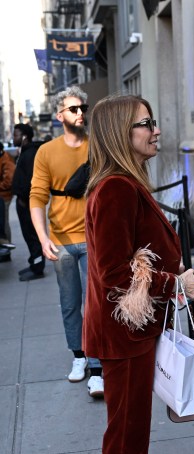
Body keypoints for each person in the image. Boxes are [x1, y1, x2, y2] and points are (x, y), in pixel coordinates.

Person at [83, 94, 194, 454]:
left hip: (137, 333)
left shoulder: (123, 185)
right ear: (123, 133)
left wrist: (181, 282)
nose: (156, 130)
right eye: (146, 124)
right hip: (126, 339)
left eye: (154, 122)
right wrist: (175, 283)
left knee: (130, 439)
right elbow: (114, 276)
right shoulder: (115, 189)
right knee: (126, 442)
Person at [30, 86, 104, 398]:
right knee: (70, 302)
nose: (80, 114)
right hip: (60, 240)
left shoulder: (96, 147)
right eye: (73, 109)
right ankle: (78, 356)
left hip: (92, 238)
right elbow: (37, 197)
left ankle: (97, 367)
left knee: (95, 304)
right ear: (60, 115)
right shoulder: (46, 152)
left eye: (83, 108)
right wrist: (42, 238)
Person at [12, 123, 46, 280]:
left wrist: (25, 200)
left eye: (16, 134)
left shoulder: (31, 153)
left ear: (24, 136)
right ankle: (34, 263)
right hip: (22, 202)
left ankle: (38, 268)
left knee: (33, 236)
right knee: (28, 236)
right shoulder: (24, 152)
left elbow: (32, 180)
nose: (14, 137)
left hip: (27, 204)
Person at [0, 141, 16, 248]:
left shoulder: (6, 159)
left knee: (3, 223)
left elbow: (8, 181)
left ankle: (6, 248)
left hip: (4, 196)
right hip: (2, 194)